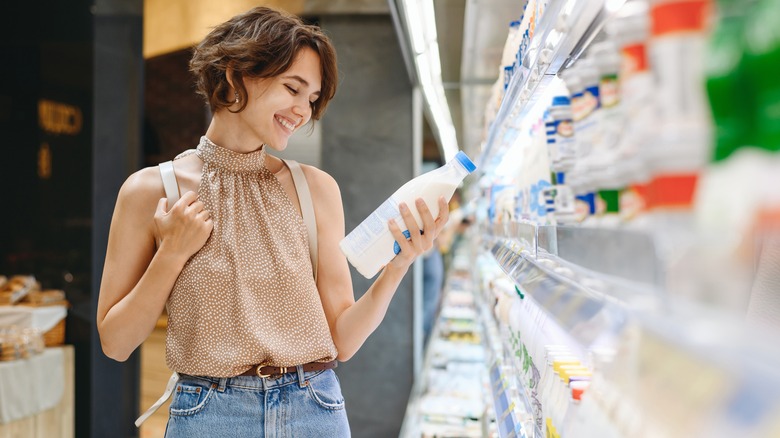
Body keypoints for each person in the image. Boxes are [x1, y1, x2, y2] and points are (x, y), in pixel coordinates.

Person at [96, 6, 449, 437]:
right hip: (210, 414)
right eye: (292, 88)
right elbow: (115, 343)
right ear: (235, 75)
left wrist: (398, 265)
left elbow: (343, 341)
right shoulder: (151, 191)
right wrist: (170, 255)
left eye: (313, 99)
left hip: (315, 408)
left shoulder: (315, 189)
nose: (303, 110)